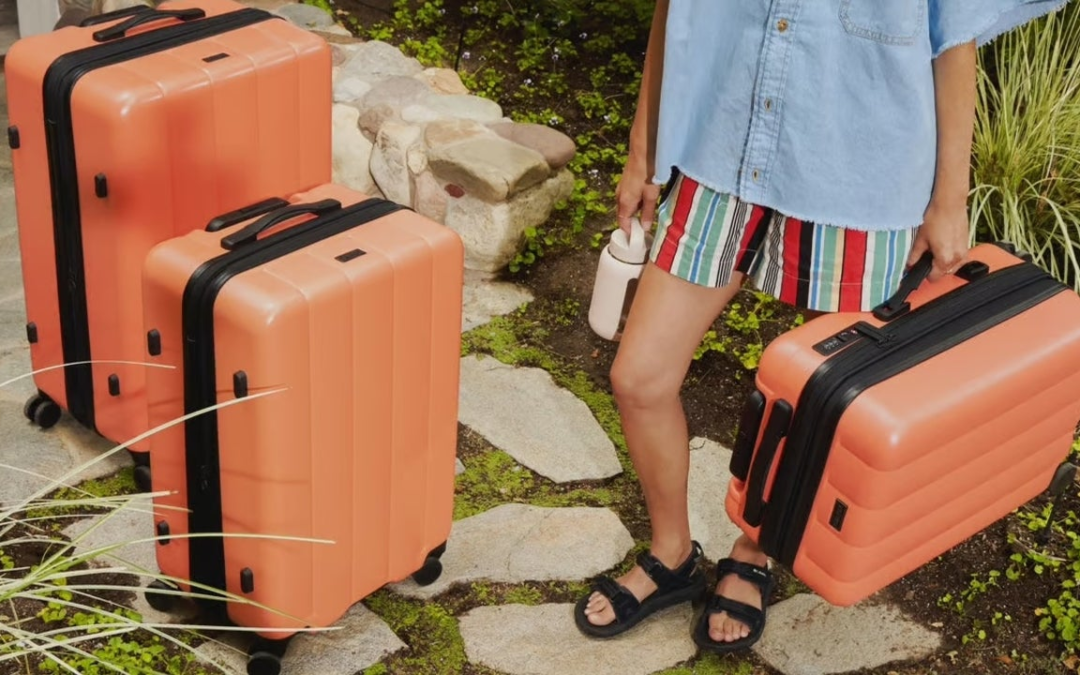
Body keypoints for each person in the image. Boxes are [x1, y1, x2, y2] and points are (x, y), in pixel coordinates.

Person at [574, 0, 1072, 653]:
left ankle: (756, 550)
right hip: (720, 151)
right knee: (639, 378)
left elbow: (954, 35)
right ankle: (671, 553)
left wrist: (950, 199)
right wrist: (643, 150)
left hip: (857, 169)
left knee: (824, 404)